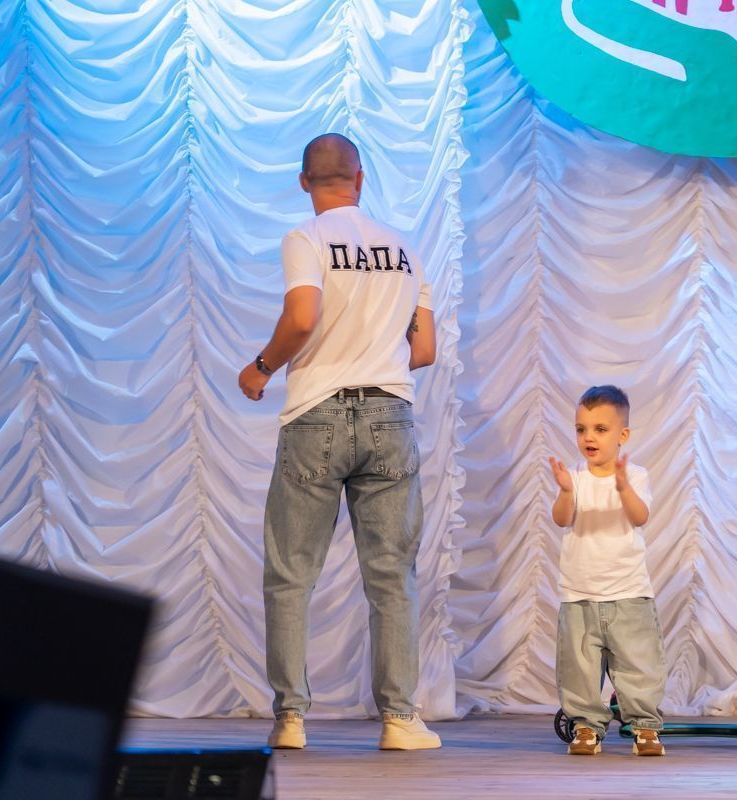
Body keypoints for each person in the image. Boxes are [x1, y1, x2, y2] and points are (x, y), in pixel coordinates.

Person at [237, 133, 439, 751]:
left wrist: (261, 367)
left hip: (315, 415)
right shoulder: (403, 249)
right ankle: (399, 720)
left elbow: (302, 317)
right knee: (392, 576)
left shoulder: (306, 239)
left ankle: (291, 719)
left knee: (291, 575)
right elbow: (425, 350)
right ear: (360, 177)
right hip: (389, 416)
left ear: (304, 181)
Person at [548, 386, 667, 757]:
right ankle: (586, 726)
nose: (589, 437)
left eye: (600, 429)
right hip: (579, 593)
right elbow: (561, 519)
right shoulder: (574, 476)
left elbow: (640, 516)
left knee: (638, 664)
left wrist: (623, 487)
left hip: (628, 592)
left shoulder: (635, 475)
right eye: (581, 429)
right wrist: (565, 492)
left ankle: (644, 726)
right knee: (579, 669)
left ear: (622, 435)